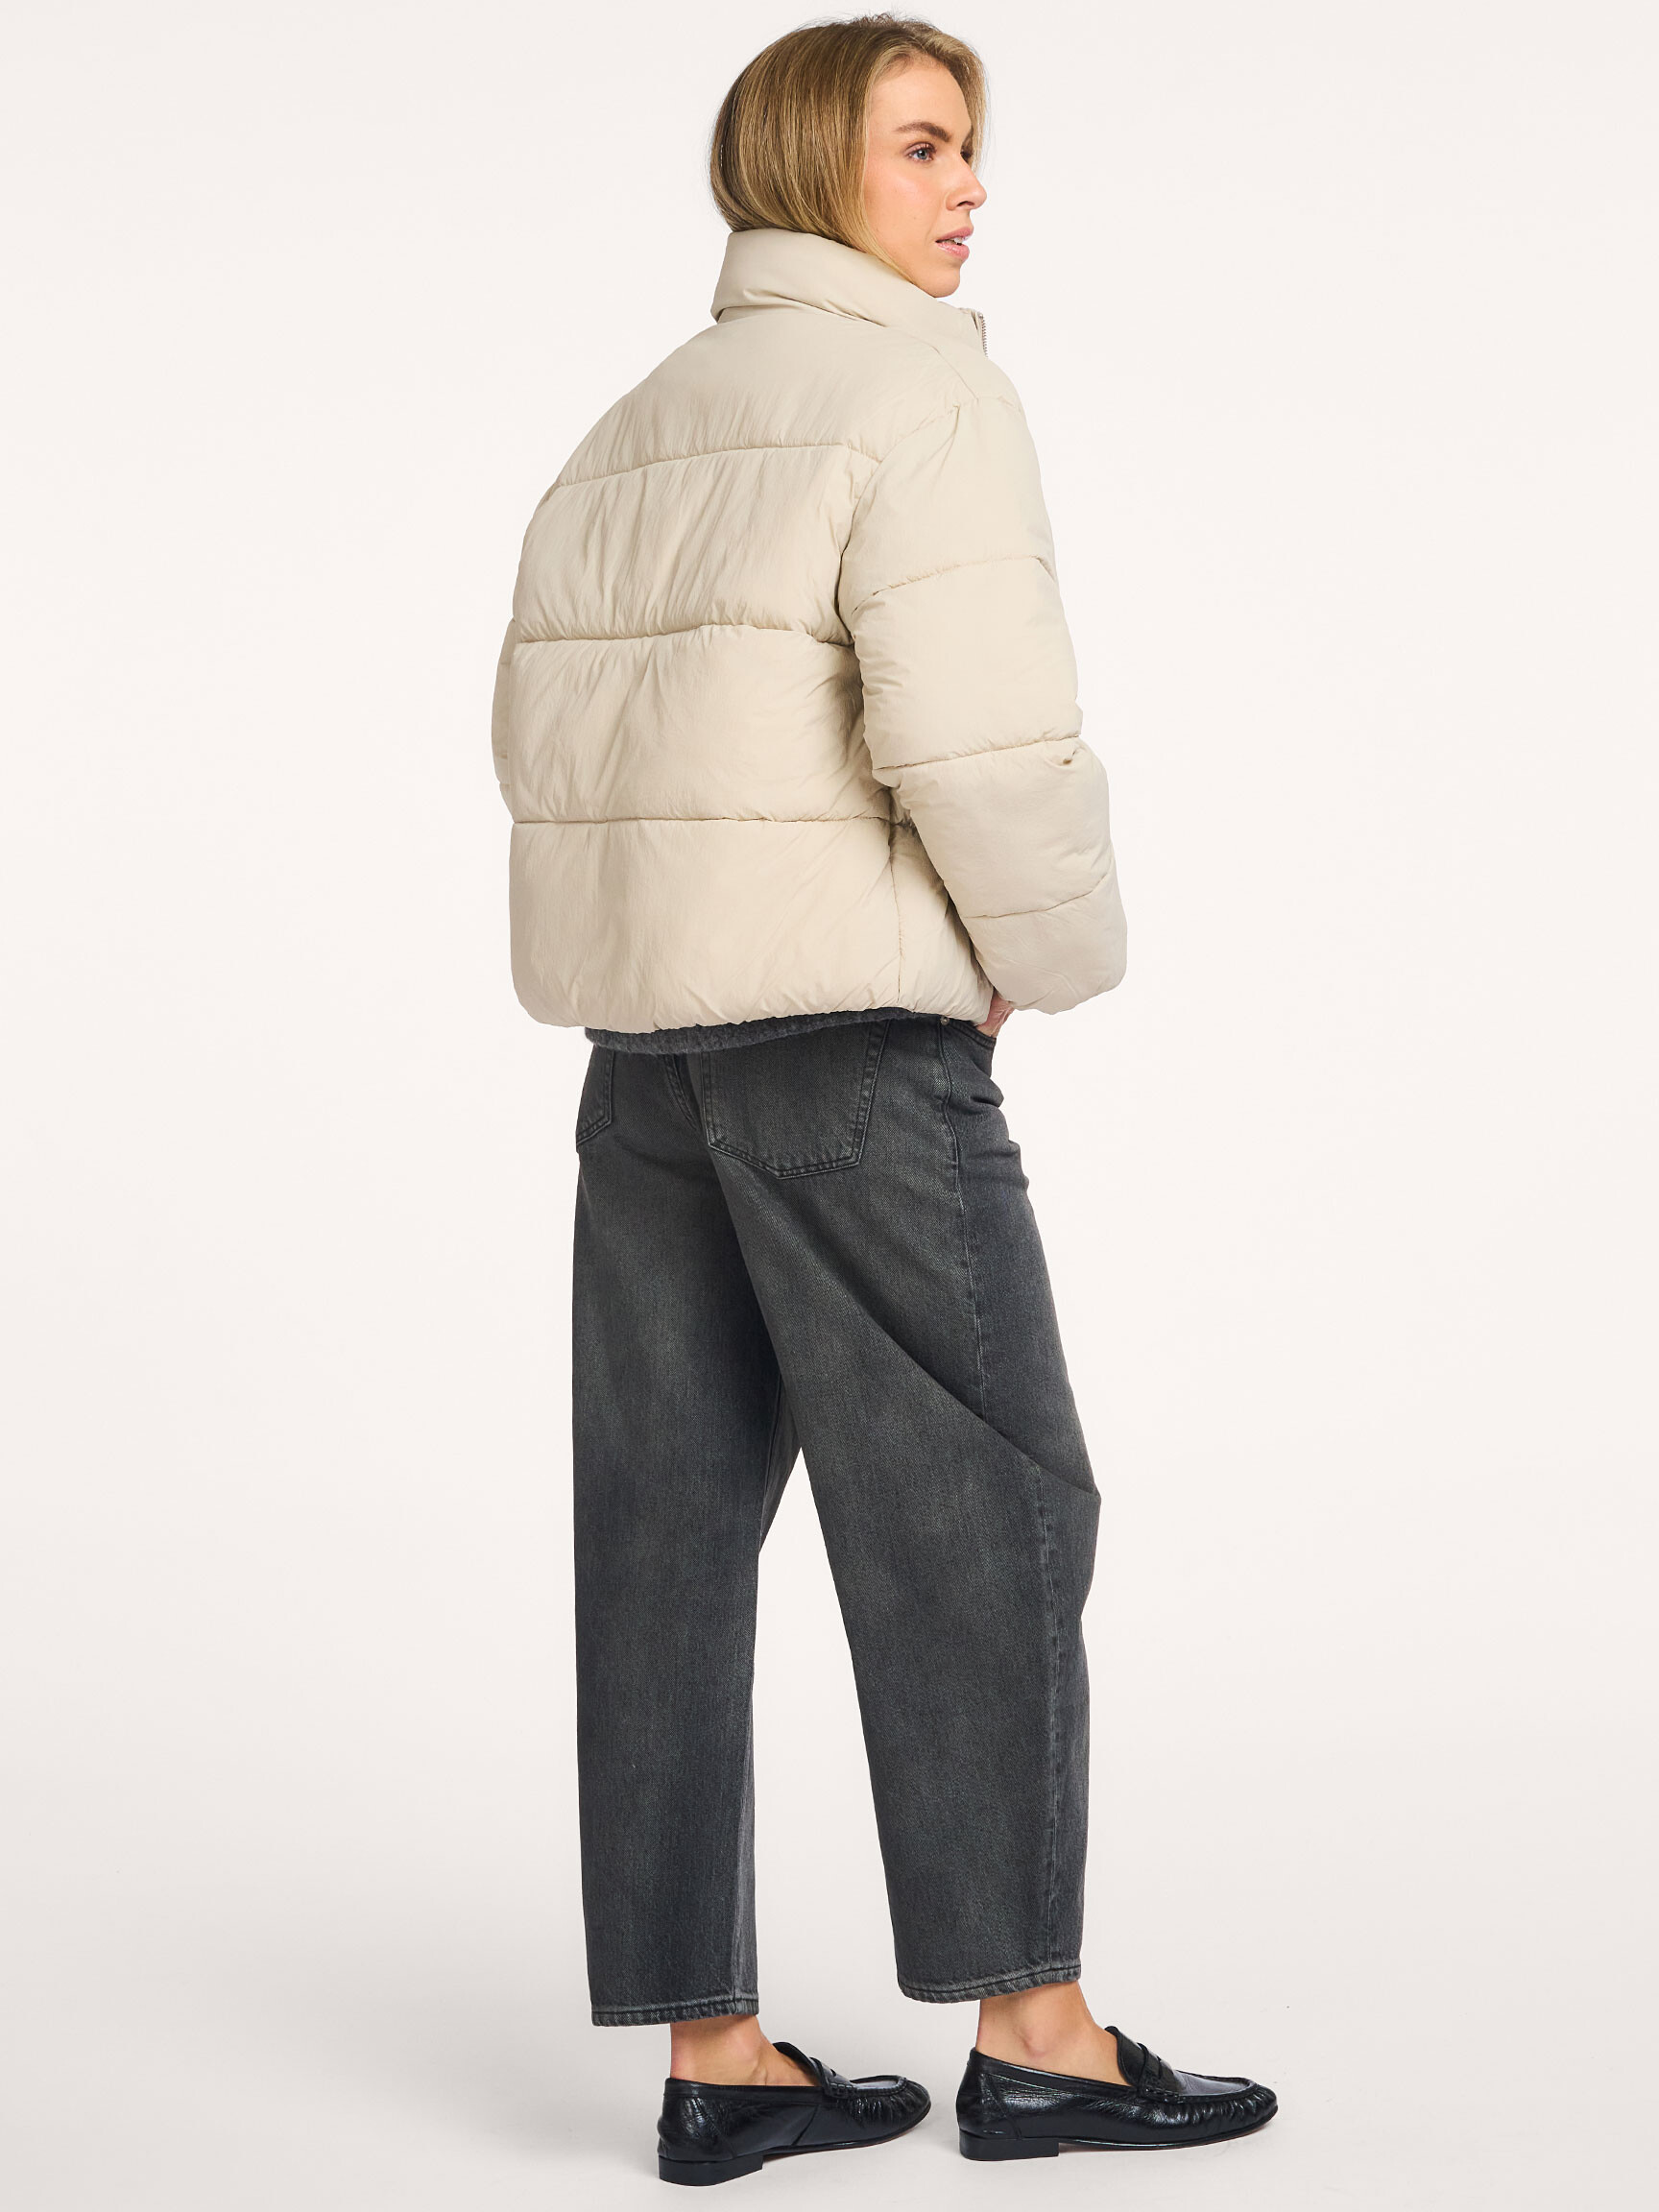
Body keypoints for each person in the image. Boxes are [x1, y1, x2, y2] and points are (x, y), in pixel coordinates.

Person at [492, 14, 1276, 2186]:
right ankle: (1037, 2034)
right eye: (922, 146)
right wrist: (1045, 953)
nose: (969, 186)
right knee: (987, 1508)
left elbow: (548, 748)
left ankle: (715, 2054)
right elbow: (983, 736)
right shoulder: (922, 396)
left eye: (969, 147)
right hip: (851, 1047)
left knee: (661, 1541)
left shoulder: (635, 425)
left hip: (648, 1063)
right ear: (810, 163)